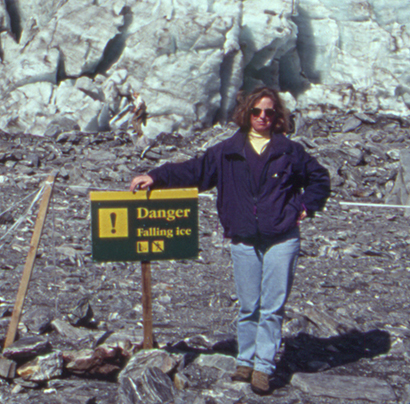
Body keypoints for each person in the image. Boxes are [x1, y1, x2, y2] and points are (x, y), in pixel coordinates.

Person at [128, 87, 330, 395]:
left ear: (278, 116)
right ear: (246, 113)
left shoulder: (289, 151)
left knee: (272, 306)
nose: (263, 117)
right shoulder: (227, 151)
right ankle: (244, 362)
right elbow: (195, 170)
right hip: (244, 238)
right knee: (249, 305)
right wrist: (156, 176)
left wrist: (304, 207)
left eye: (270, 112)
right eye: (257, 111)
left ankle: (263, 367)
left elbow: (319, 178)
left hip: (282, 237)